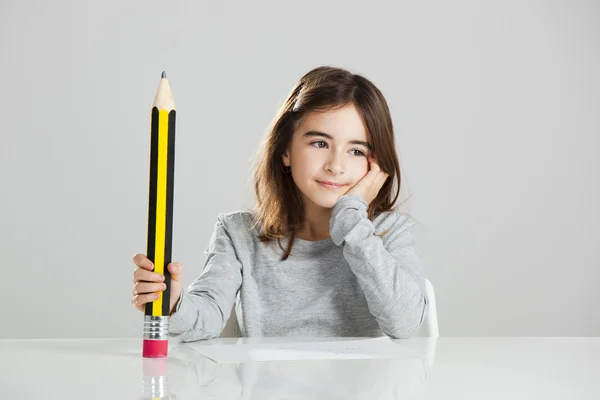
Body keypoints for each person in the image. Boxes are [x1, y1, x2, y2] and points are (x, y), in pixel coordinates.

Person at [131, 65, 429, 341]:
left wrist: (352, 218)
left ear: (375, 165)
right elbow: (206, 316)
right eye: (320, 143)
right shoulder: (238, 234)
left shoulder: (388, 233)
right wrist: (172, 305)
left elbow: (404, 323)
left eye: (356, 151)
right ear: (286, 151)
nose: (336, 166)